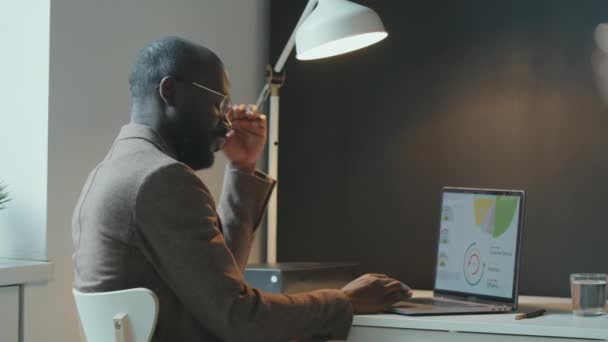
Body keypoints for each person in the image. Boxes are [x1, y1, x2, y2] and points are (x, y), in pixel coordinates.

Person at [72, 36, 412, 342]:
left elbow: (220, 289)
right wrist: (345, 301)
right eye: (219, 105)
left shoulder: (110, 172)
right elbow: (240, 319)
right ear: (170, 91)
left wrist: (242, 167)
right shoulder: (161, 179)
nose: (225, 123)